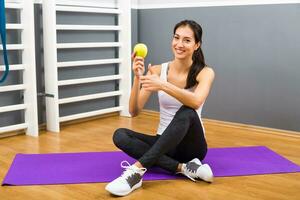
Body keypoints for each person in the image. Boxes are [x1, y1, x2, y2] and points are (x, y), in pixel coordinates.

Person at [105, 19, 215, 196]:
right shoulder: (157, 70)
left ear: (197, 45)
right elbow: (134, 111)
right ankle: (184, 168)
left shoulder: (205, 72)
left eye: (187, 40)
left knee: (187, 111)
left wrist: (163, 85)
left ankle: (135, 173)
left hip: (192, 146)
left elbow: (195, 102)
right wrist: (137, 78)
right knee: (120, 135)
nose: (179, 44)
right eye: (176, 38)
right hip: (165, 144)